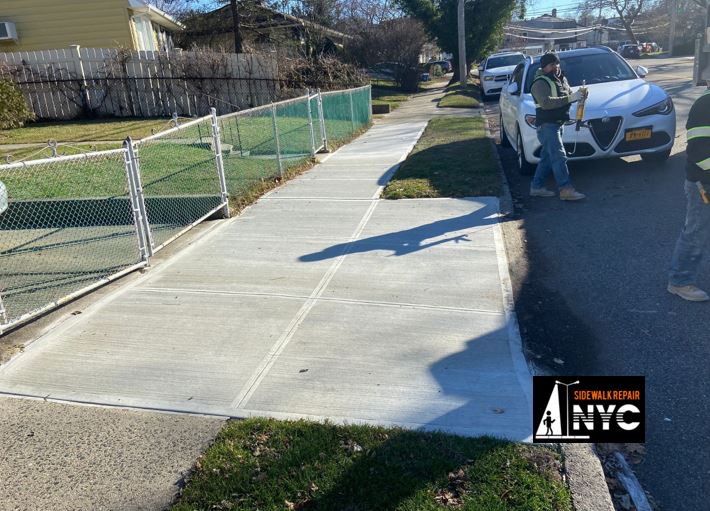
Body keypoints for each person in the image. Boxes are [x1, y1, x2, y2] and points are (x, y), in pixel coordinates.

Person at [668, 83, 710, 301]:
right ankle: (680, 282)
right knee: (696, 232)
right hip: (704, 183)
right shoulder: (705, 104)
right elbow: (697, 149)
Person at [529, 52, 586, 201]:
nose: (555, 67)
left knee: (547, 158)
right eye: (551, 64)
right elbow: (546, 103)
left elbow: (568, 97)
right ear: (544, 66)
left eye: (557, 63)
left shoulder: (561, 79)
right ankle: (565, 189)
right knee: (559, 156)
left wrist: (580, 95)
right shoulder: (539, 83)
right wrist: (571, 97)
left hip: (557, 124)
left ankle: (536, 187)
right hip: (547, 126)